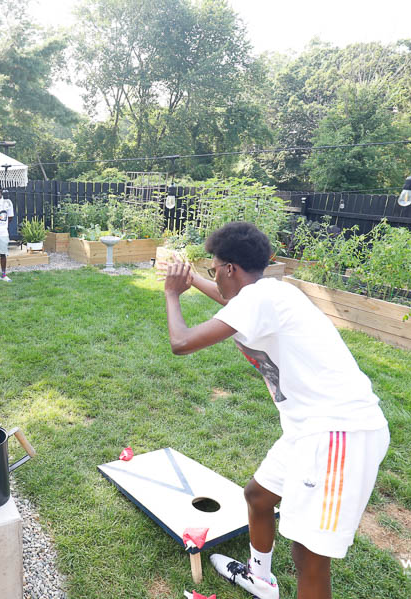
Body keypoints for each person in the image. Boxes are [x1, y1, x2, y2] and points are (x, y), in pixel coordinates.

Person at [160, 221, 389, 599]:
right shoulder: (266, 294)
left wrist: (172, 294)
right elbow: (231, 303)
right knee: (257, 497)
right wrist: (193, 283)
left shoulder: (260, 299)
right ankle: (261, 579)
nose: (212, 274)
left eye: (213, 267)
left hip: (340, 434)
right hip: (307, 431)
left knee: (309, 555)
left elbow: (181, 343)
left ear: (230, 268)